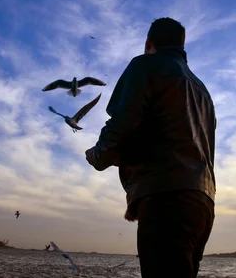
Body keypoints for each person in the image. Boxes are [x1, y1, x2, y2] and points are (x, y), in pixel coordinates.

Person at [85, 17, 217, 278]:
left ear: (149, 43)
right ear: (182, 46)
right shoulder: (203, 92)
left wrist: (98, 155)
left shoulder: (145, 66)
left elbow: (122, 126)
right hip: (203, 204)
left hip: (166, 200)